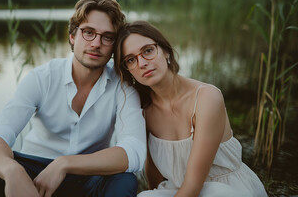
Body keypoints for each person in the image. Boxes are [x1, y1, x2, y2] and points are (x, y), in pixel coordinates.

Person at [0, 0, 146, 197]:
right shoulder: (42, 78)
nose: (96, 43)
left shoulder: (123, 85)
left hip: (88, 176)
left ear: (114, 45)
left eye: (107, 37)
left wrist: (65, 163)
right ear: (72, 36)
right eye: (88, 32)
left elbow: (134, 151)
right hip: (34, 172)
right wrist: (12, 170)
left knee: (124, 180)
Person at [113, 20, 267, 197]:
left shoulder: (206, 98)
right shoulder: (144, 109)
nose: (142, 63)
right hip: (179, 189)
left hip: (225, 190)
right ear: (128, 70)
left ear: (165, 51)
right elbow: (152, 170)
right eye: (131, 59)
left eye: (148, 51)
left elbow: (193, 187)